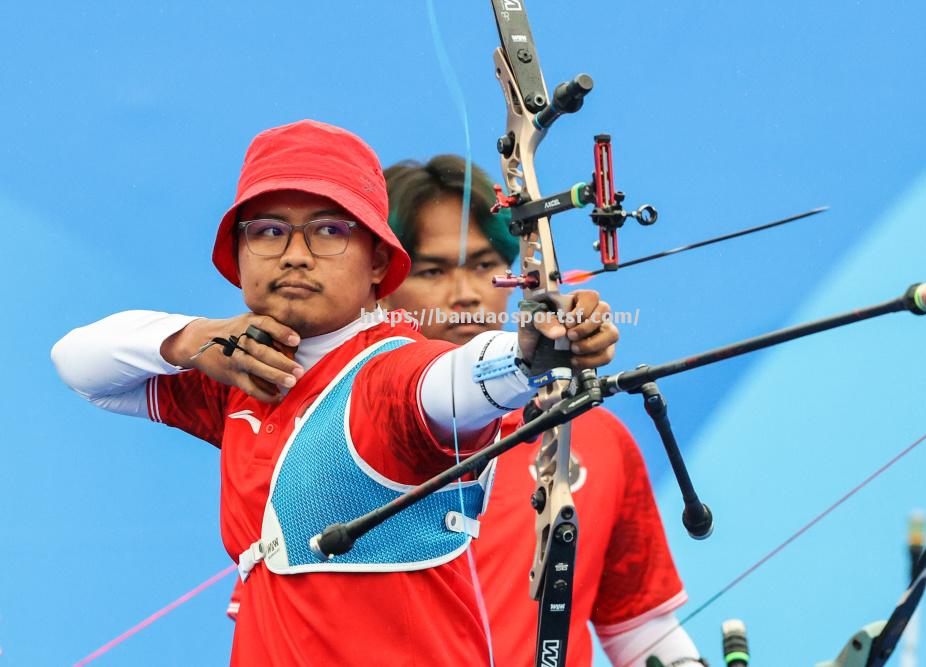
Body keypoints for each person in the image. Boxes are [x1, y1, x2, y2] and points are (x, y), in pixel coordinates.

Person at [50, 120, 620, 666]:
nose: (295, 253)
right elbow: (78, 363)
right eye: (269, 231)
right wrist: (191, 339)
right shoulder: (240, 375)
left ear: (377, 260)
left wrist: (530, 351)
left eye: (329, 230)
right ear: (239, 254)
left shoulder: (391, 373)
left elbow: (448, 385)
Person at [381, 156, 702, 665]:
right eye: (431, 270)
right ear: (381, 283)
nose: (465, 293)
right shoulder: (341, 429)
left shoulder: (593, 433)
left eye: (486, 266)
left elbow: (640, 633)